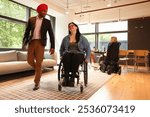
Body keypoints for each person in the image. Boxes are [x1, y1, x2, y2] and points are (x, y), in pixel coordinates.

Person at [22, 3, 55, 90]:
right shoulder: (31, 19)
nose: (45, 12)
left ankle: (37, 82)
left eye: (46, 11)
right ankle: (39, 70)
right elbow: (27, 31)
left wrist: (53, 46)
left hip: (41, 43)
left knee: (39, 62)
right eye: (44, 11)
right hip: (32, 42)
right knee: (29, 60)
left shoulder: (47, 22)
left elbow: (51, 34)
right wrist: (24, 42)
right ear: (39, 11)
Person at [59, 22, 91, 87]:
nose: (71, 27)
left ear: (76, 27)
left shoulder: (82, 38)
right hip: (68, 53)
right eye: (69, 26)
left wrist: (87, 58)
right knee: (66, 56)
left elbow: (88, 49)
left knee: (76, 56)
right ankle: (66, 77)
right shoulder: (65, 38)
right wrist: (61, 55)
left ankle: (72, 78)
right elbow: (61, 48)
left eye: (72, 25)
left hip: (79, 54)